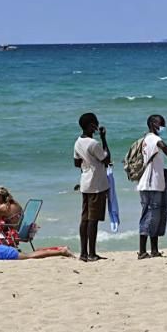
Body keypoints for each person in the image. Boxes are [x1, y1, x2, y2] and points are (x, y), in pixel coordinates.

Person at [136, 114, 167, 259]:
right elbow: (166, 149)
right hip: (151, 184)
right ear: (153, 124)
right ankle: (142, 251)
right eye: (161, 124)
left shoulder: (145, 139)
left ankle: (154, 250)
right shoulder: (154, 139)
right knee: (150, 216)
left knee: (155, 217)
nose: (163, 126)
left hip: (152, 183)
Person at [73, 112, 110, 262]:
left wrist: (87, 163)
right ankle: (92, 253)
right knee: (93, 220)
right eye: (95, 124)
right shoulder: (93, 144)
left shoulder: (78, 142)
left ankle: (83, 253)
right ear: (91, 126)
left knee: (85, 219)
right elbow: (106, 159)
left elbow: (77, 163)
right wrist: (103, 138)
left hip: (85, 182)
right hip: (96, 184)